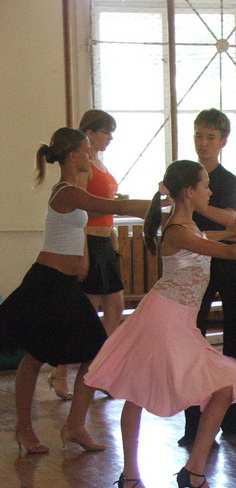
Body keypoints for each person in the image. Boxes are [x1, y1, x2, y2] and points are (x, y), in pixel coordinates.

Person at [84, 160, 236, 488]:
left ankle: (193, 470)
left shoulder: (188, 226)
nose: (210, 191)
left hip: (178, 321)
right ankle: (132, 475)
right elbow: (229, 251)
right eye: (205, 185)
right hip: (163, 319)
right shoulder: (177, 230)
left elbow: (224, 238)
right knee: (138, 393)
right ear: (190, 192)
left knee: (223, 389)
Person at [0, 127, 153, 454]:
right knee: (34, 356)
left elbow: (99, 211)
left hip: (64, 285)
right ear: (72, 156)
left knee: (93, 353)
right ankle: (25, 429)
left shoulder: (73, 193)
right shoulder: (66, 191)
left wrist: (152, 205)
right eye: (86, 150)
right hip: (46, 282)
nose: (90, 155)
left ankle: (74, 426)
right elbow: (110, 205)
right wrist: (153, 204)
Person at [179, 108, 236, 447]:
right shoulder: (184, 176)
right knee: (193, 338)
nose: (203, 143)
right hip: (196, 264)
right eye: (199, 135)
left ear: (222, 142)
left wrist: (195, 202)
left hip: (231, 263)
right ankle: (193, 425)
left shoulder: (227, 180)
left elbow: (229, 218)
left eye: (210, 137)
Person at [48, 109, 125, 401]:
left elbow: (103, 205)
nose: (110, 138)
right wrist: (84, 253)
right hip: (90, 242)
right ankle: (61, 371)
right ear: (90, 134)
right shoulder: (83, 166)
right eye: (106, 132)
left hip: (105, 242)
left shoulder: (100, 163)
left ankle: (100, 372)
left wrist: (113, 232)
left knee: (115, 309)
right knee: (85, 316)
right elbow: (79, 210)